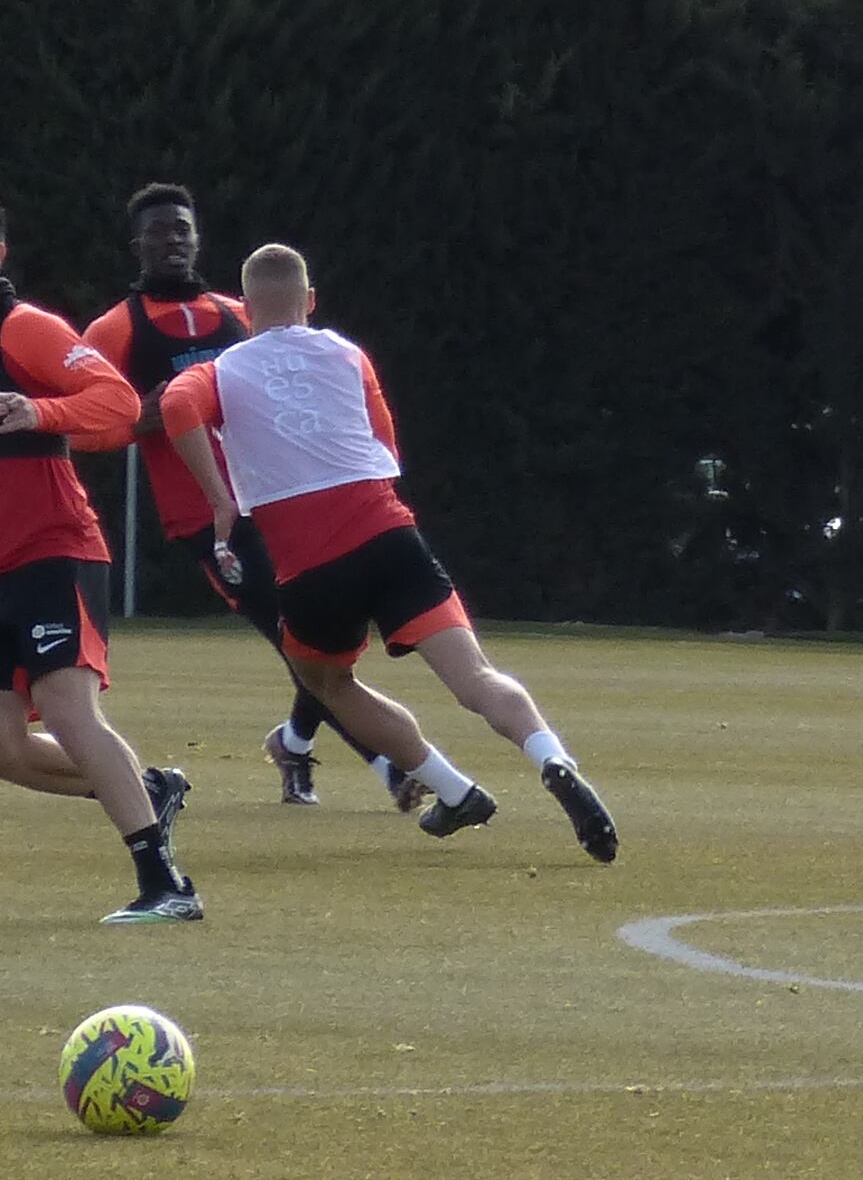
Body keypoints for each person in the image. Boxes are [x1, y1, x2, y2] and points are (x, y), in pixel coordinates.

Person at [156, 244, 620, 862]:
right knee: (476, 676)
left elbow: (174, 407)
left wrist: (220, 501)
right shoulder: (349, 353)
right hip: (388, 533)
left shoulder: (222, 370)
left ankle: (455, 789)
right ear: (311, 302)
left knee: (327, 681)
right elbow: (386, 444)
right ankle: (552, 758)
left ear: (244, 310)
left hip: (310, 563)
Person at [0, 187, 199, 925]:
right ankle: (147, 789)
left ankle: (166, 885)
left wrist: (40, 411)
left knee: (66, 708)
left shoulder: (25, 330)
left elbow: (116, 405)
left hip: (58, 552)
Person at [78, 182, 401, 813]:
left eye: (184, 228)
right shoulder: (115, 330)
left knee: (323, 636)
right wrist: (168, 409)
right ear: (137, 244)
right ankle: (392, 765)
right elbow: (94, 425)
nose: (175, 239)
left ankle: (295, 742)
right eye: (161, 230)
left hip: (284, 498)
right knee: (294, 637)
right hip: (208, 516)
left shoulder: (239, 313)